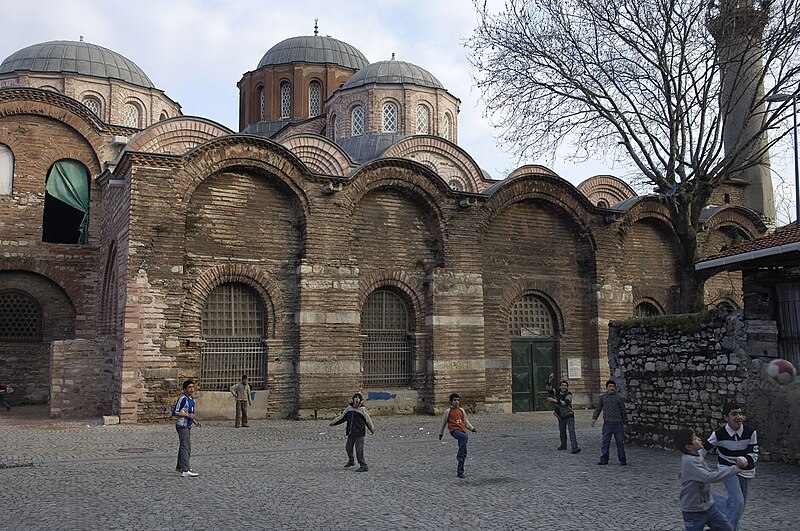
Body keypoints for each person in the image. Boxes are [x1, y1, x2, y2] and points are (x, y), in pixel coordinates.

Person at [674, 428, 746, 531]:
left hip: (709, 507)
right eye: (694, 438)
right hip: (693, 512)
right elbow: (709, 477)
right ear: (688, 447)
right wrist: (736, 469)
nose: (699, 439)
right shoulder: (689, 461)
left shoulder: (696, 454)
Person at [702, 402, 758, 531]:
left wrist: (744, 460)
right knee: (738, 503)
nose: (739, 417)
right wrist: (691, 465)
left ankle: (711, 497)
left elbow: (754, 454)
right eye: (734, 414)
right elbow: (703, 450)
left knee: (738, 508)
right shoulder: (718, 434)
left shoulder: (751, 432)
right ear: (726, 417)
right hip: (727, 469)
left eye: (740, 413)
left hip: (746, 470)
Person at [330, 392, 375, 472]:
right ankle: (351, 461)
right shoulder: (349, 408)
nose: (356, 401)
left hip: (359, 433)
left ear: (360, 401)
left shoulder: (362, 410)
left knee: (359, 450)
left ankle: (363, 465)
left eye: (358, 399)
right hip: (351, 433)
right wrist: (334, 422)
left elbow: (368, 420)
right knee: (348, 448)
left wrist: (372, 429)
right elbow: (342, 417)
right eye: (355, 399)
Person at [438, 392, 477, 478]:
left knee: (464, 451)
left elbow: (466, 422)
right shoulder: (448, 412)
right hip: (454, 431)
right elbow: (443, 423)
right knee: (464, 437)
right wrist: (441, 434)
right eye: (455, 400)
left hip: (462, 430)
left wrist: (472, 428)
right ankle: (459, 455)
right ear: (451, 401)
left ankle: (460, 471)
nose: (456, 402)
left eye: (458, 400)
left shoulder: (461, 410)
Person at [591, 379, 628, 465]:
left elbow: (623, 411)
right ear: (607, 387)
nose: (612, 388)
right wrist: (594, 418)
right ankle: (604, 458)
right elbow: (598, 408)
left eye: (613, 386)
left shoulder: (619, 398)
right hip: (607, 423)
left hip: (618, 424)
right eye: (610, 386)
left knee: (620, 442)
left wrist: (625, 423)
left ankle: (622, 459)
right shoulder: (603, 398)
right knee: (605, 442)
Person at [172, 379, 201, 477]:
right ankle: (185, 470)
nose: (192, 389)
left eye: (193, 387)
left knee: (183, 447)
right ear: (185, 389)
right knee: (186, 447)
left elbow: (191, 414)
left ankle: (180, 466)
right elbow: (176, 412)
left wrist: (195, 421)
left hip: (188, 425)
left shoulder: (191, 399)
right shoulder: (183, 399)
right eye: (189, 387)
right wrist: (188, 416)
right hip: (182, 425)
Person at [546, 373, 580, 453]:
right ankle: (563, 445)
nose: (563, 387)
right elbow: (549, 389)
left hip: (569, 414)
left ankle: (574, 447)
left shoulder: (569, 394)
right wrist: (550, 380)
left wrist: (554, 400)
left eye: (565, 386)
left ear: (567, 387)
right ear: (560, 386)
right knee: (562, 431)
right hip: (560, 415)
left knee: (571, 431)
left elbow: (565, 403)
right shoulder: (556, 392)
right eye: (562, 385)